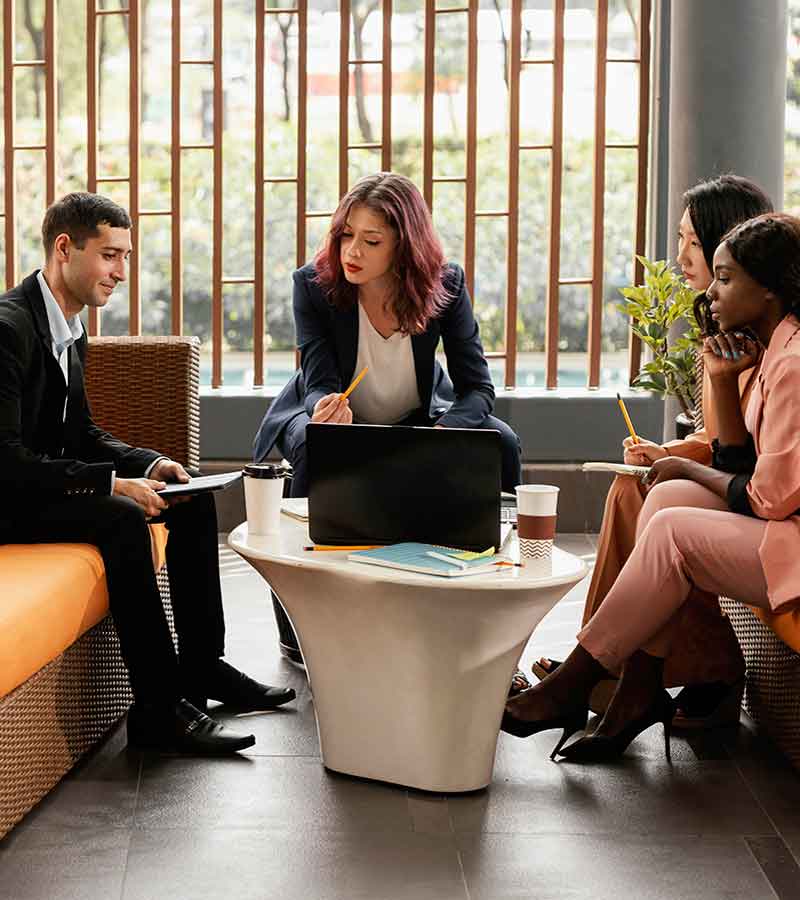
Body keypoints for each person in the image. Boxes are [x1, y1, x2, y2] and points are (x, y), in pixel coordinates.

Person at [0, 192, 295, 755]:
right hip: (8, 498)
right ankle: (158, 711)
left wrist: (149, 463)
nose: (121, 272)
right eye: (110, 255)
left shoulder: (69, 328)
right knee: (121, 518)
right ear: (64, 248)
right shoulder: (8, 329)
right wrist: (112, 484)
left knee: (188, 495)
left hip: (40, 486)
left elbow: (80, 432)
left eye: (126, 257)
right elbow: (5, 460)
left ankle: (202, 666)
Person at [501, 211, 800, 761]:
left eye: (725, 278)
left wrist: (688, 467)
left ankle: (574, 683)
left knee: (673, 529)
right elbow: (740, 461)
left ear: (769, 289)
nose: (710, 291)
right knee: (663, 499)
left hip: (792, 538)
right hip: (783, 526)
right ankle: (637, 687)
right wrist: (720, 380)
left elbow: (768, 497)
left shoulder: (794, 363)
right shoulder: (768, 350)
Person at [253, 172, 522, 497]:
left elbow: (478, 388)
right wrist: (324, 406)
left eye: (371, 241)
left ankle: (507, 529)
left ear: (405, 245)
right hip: (329, 416)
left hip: (421, 417)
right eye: (346, 235)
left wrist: (443, 432)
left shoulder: (445, 284)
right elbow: (318, 384)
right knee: (316, 442)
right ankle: (304, 531)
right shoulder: (314, 285)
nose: (352, 252)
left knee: (502, 441)